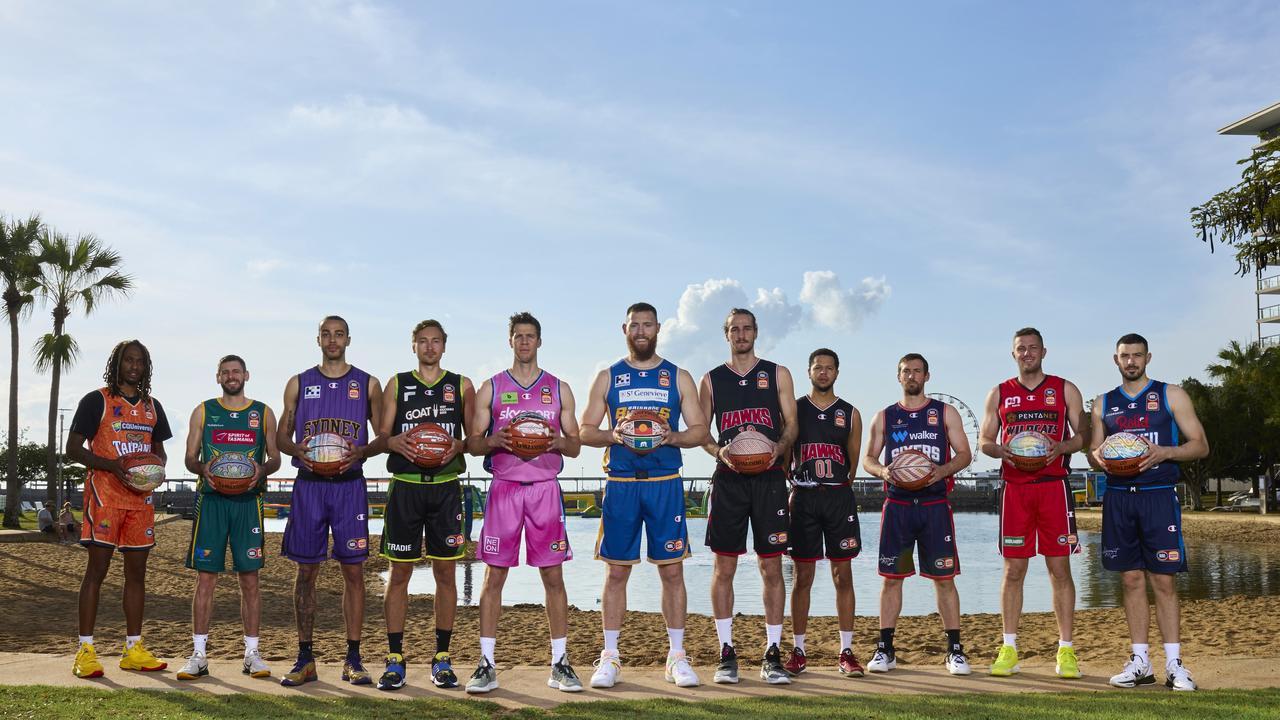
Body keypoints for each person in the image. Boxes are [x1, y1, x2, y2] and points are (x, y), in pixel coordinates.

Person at [579, 302, 709, 689]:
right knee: (616, 571)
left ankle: (677, 656)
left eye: (647, 325)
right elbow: (585, 430)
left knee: (672, 570)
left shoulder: (678, 377)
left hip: (664, 481)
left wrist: (673, 436)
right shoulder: (608, 376)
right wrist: (612, 435)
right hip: (621, 482)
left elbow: (700, 430)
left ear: (658, 329)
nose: (641, 331)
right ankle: (610, 656)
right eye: (634, 325)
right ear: (624, 329)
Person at [464, 312, 583, 694]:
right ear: (510, 341)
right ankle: (486, 663)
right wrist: (495, 440)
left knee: (553, 576)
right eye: (519, 336)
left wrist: (555, 441)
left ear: (539, 341)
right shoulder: (492, 387)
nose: (525, 342)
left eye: (531, 336)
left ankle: (560, 663)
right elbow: (472, 443)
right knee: (494, 576)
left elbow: (576, 444)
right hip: (505, 488)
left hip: (545, 488)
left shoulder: (559, 388)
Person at [1090, 333, 1208, 691]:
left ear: (1148, 357)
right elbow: (1095, 450)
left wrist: (1164, 453)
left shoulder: (1171, 395)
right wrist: (1099, 457)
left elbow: (1200, 445)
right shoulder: (1102, 403)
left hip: (1158, 496)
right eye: (1125, 356)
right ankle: (1140, 661)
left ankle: (1175, 664)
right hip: (1119, 497)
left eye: (1137, 355)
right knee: (1130, 579)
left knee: (1163, 580)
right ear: (1115, 359)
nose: (1131, 362)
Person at [277, 316, 383, 686]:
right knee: (306, 572)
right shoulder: (299, 382)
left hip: (349, 483)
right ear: (318, 339)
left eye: (339, 334)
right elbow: (281, 437)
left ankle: (353, 658)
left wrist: (362, 451)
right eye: (326, 334)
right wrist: (297, 450)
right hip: (309, 484)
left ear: (348, 339)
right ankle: (305, 658)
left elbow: (383, 435)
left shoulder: (368, 384)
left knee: (353, 572)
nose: (333, 339)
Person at [370, 320, 474, 691]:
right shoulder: (397, 383)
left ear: (444, 346)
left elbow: (474, 441)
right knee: (399, 574)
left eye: (436, 342)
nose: (429, 347)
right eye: (423, 342)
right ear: (412, 345)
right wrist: (394, 441)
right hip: (406, 487)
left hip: (446, 488)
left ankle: (442, 658)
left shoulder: (460, 385)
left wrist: (458, 445)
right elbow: (382, 436)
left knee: (446, 575)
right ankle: (395, 657)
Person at [698, 308, 799, 685]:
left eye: (747, 328)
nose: (741, 334)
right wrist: (718, 451)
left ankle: (772, 652)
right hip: (730, 479)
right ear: (726, 335)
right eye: (734, 329)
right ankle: (727, 652)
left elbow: (791, 424)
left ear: (756, 332)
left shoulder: (777, 373)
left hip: (770, 478)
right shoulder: (711, 380)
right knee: (723, 567)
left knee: (771, 567)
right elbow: (700, 431)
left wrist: (780, 445)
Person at [978, 328, 1086, 679]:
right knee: (1013, 571)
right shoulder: (1000, 392)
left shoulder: (1064, 388)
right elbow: (983, 441)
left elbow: (1082, 436)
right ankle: (1009, 648)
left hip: (1054, 486)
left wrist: (1062, 447)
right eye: (1021, 349)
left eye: (1033, 348)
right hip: (1015, 488)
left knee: (1059, 570)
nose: (1027, 353)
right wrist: (1001, 450)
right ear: (1013, 354)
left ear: (1044, 351)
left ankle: (1066, 651)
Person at [861, 353, 973, 676]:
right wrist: (882, 471)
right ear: (898, 377)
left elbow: (964, 454)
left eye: (917, 371)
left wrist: (942, 471)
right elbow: (867, 458)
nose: (911, 376)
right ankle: (885, 649)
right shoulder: (885, 416)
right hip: (897, 507)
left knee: (944, 579)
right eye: (905, 371)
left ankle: (954, 650)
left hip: (934, 506)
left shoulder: (944, 413)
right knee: (892, 579)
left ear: (927, 376)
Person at [68, 340, 173, 678]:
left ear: (146, 367)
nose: (134, 366)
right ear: (116, 363)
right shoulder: (96, 400)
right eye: (128, 360)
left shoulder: (152, 407)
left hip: (139, 502)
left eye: (139, 361)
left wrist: (155, 471)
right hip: (105, 497)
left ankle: (133, 649)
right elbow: (72, 448)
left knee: (137, 575)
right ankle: (85, 649)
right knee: (96, 572)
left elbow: (159, 453)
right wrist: (111, 465)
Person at [176, 354, 281, 681]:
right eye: (225, 372)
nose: (231, 376)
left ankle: (252, 653)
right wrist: (202, 468)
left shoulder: (262, 413)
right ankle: (198, 654)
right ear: (218, 376)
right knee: (205, 579)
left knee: (250, 579)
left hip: (248, 501)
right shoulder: (204, 411)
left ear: (246, 375)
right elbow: (190, 458)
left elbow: (275, 457)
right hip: (211, 502)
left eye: (236, 371)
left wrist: (262, 469)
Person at [784, 348, 865, 678]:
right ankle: (798, 650)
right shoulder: (793, 410)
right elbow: (786, 457)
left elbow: (852, 465)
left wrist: (836, 487)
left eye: (829, 368)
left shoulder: (850, 413)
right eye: (818, 368)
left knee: (842, 575)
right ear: (809, 372)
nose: (823, 373)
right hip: (803, 499)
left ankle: (845, 651)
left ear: (837, 372)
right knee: (803, 577)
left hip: (837, 499)